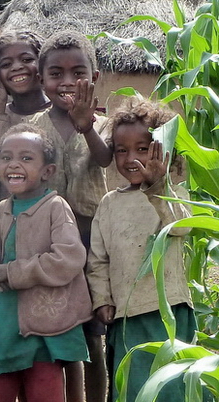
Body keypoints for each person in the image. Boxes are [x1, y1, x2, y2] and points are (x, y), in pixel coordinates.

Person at [86, 99, 194, 402]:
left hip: (168, 312)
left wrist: (158, 186)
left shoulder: (173, 193)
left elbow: (182, 227)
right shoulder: (109, 204)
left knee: (172, 389)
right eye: (122, 150)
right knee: (131, 389)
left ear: (162, 149)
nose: (131, 158)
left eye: (143, 149)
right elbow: (98, 260)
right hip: (125, 316)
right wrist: (102, 298)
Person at [0, 123, 91, 402]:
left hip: (44, 322)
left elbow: (69, 257)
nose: (14, 164)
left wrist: (13, 272)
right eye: (6, 157)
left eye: (26, 158)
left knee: (44, 385)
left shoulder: (55, 206)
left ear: (47, 172)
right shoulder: (2, 209)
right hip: (4, 320)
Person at [32, 30, 113, 402]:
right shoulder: (32, 127)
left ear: (94, 78)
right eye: (56, 74)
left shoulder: (106, 123)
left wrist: (87, 127)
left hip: (89, 241)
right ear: (41, 79)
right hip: (45, 243)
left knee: (92, 336)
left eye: (78, 72)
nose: (67, 82)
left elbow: (105, 159)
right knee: (52, 333)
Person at [0, 29, 51, 174]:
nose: (17, 67)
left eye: (27, 60)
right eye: (6, 64)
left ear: (44, 64)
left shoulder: (59, 111)